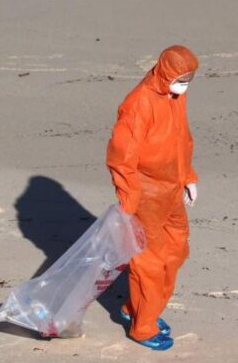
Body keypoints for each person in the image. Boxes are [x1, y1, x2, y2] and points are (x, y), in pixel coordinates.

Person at [106, 45, 199, 351]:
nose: (184, 84)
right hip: (145, 195)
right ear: (166, 72)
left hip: (171, 190)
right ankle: (143, 327)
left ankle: (137, 308)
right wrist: (129, 202)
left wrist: (188, 177)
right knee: (148, 261)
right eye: (181, 78)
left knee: (176, 250)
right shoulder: (139, 103)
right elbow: (122, 157)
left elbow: (181, 141)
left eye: (189, 79)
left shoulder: (176, 97)